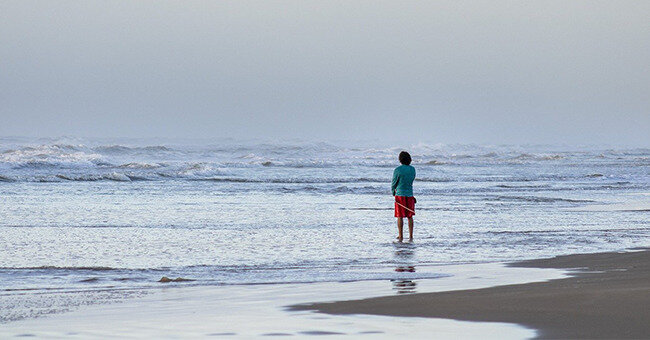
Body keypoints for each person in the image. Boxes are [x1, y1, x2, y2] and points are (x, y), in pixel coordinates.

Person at [391, 151, 416, 241]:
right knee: (410, 216)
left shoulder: (397, 170)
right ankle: (411, 235)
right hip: (410, 194)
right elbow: (411, 180)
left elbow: (394, 182)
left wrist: (393, 191)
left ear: (400, 159)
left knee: (400, 216)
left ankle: (401, 235)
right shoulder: (413, 169)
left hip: (400, 195)